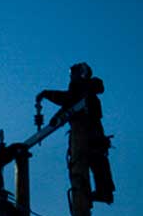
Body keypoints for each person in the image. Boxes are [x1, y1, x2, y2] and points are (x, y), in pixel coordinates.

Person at [36, 62, 115, 204]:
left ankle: (102, 192)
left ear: (81, 74)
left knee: (96, 160)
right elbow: (68, 105)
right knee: (92, 161)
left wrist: (46, 94)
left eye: (74, 73)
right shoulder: (81, 91)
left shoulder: (85, 88)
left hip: (90, 132)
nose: (71, 77)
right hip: (87, 133)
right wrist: (56, 118)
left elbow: (68, 100)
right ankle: (97, 193)